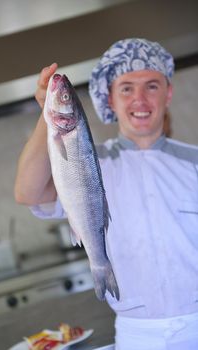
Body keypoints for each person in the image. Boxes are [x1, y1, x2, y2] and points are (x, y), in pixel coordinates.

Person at [14, 38, 198, 349]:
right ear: (110, 98)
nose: (139, 98)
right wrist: (49, 110)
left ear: (168, 93)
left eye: (151, 86)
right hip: (137, 335)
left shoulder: (194, 161)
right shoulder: (86, 162)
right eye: (126, 88)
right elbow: (27, 193)